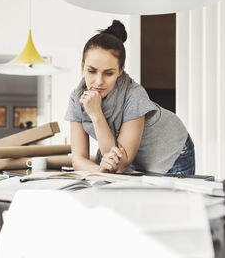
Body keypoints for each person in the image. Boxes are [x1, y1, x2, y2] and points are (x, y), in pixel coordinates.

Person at [65, 20, 194, 175]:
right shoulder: (76, 98)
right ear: (82, 67)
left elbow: (120, 165)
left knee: (163, 199)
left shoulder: (134, 95)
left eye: (109, 73)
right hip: (133, 158)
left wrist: (96, 114)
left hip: (171, 151)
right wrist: (100, 169)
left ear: (120, 71)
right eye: (92, 71)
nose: (99, 81)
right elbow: (78, 160)